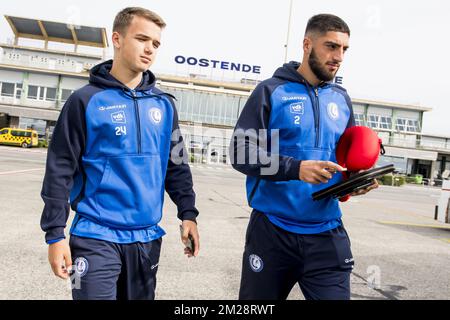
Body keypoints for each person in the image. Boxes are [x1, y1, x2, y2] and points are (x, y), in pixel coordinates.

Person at [40, 7, 200, 300]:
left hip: (146, 239)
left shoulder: (165, 105)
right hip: (92, 237)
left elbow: (176, 165)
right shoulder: (84, 101)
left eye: (156, 43)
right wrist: (55, 234)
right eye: (142, 39)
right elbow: (59, 170)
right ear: (117, 38)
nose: (150, 48)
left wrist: (188, 213)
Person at [230, 13, 378, 300]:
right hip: (273, 230)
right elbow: (241, 152)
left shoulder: (341, 100)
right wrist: (295, 168)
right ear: (307, 44)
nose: (339, 57)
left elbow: (344, 162)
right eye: (331, 46)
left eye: (344, 49)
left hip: (326, 232)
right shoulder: (272, 91)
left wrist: (354, 182)